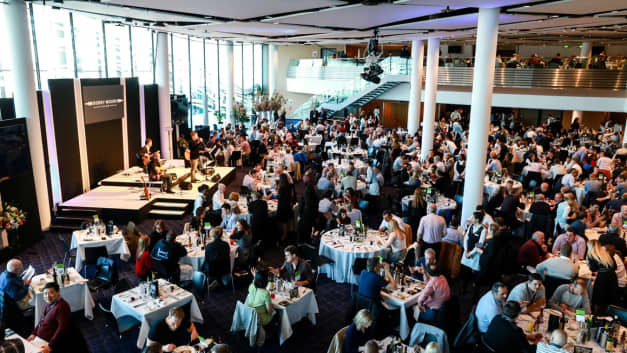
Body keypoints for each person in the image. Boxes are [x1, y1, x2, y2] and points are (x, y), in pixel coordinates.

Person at [27, 282, 71, 353]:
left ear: (58, 292)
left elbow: (62, 329)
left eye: (51, 293)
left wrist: (51, 346)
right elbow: (41, 320)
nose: (47, 296)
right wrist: (33, 333)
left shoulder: (62, 307)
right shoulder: (49, 303)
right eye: (45, 293)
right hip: (39, 338)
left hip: (49, 342)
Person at [587, 239, 618, 315]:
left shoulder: (591, 254)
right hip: (612, 277)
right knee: (609, 299)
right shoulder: (606, 253)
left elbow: (593, 269)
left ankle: (596, 317)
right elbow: (615, 267)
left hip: (602, 278)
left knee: (598, 300)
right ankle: (607, 316)